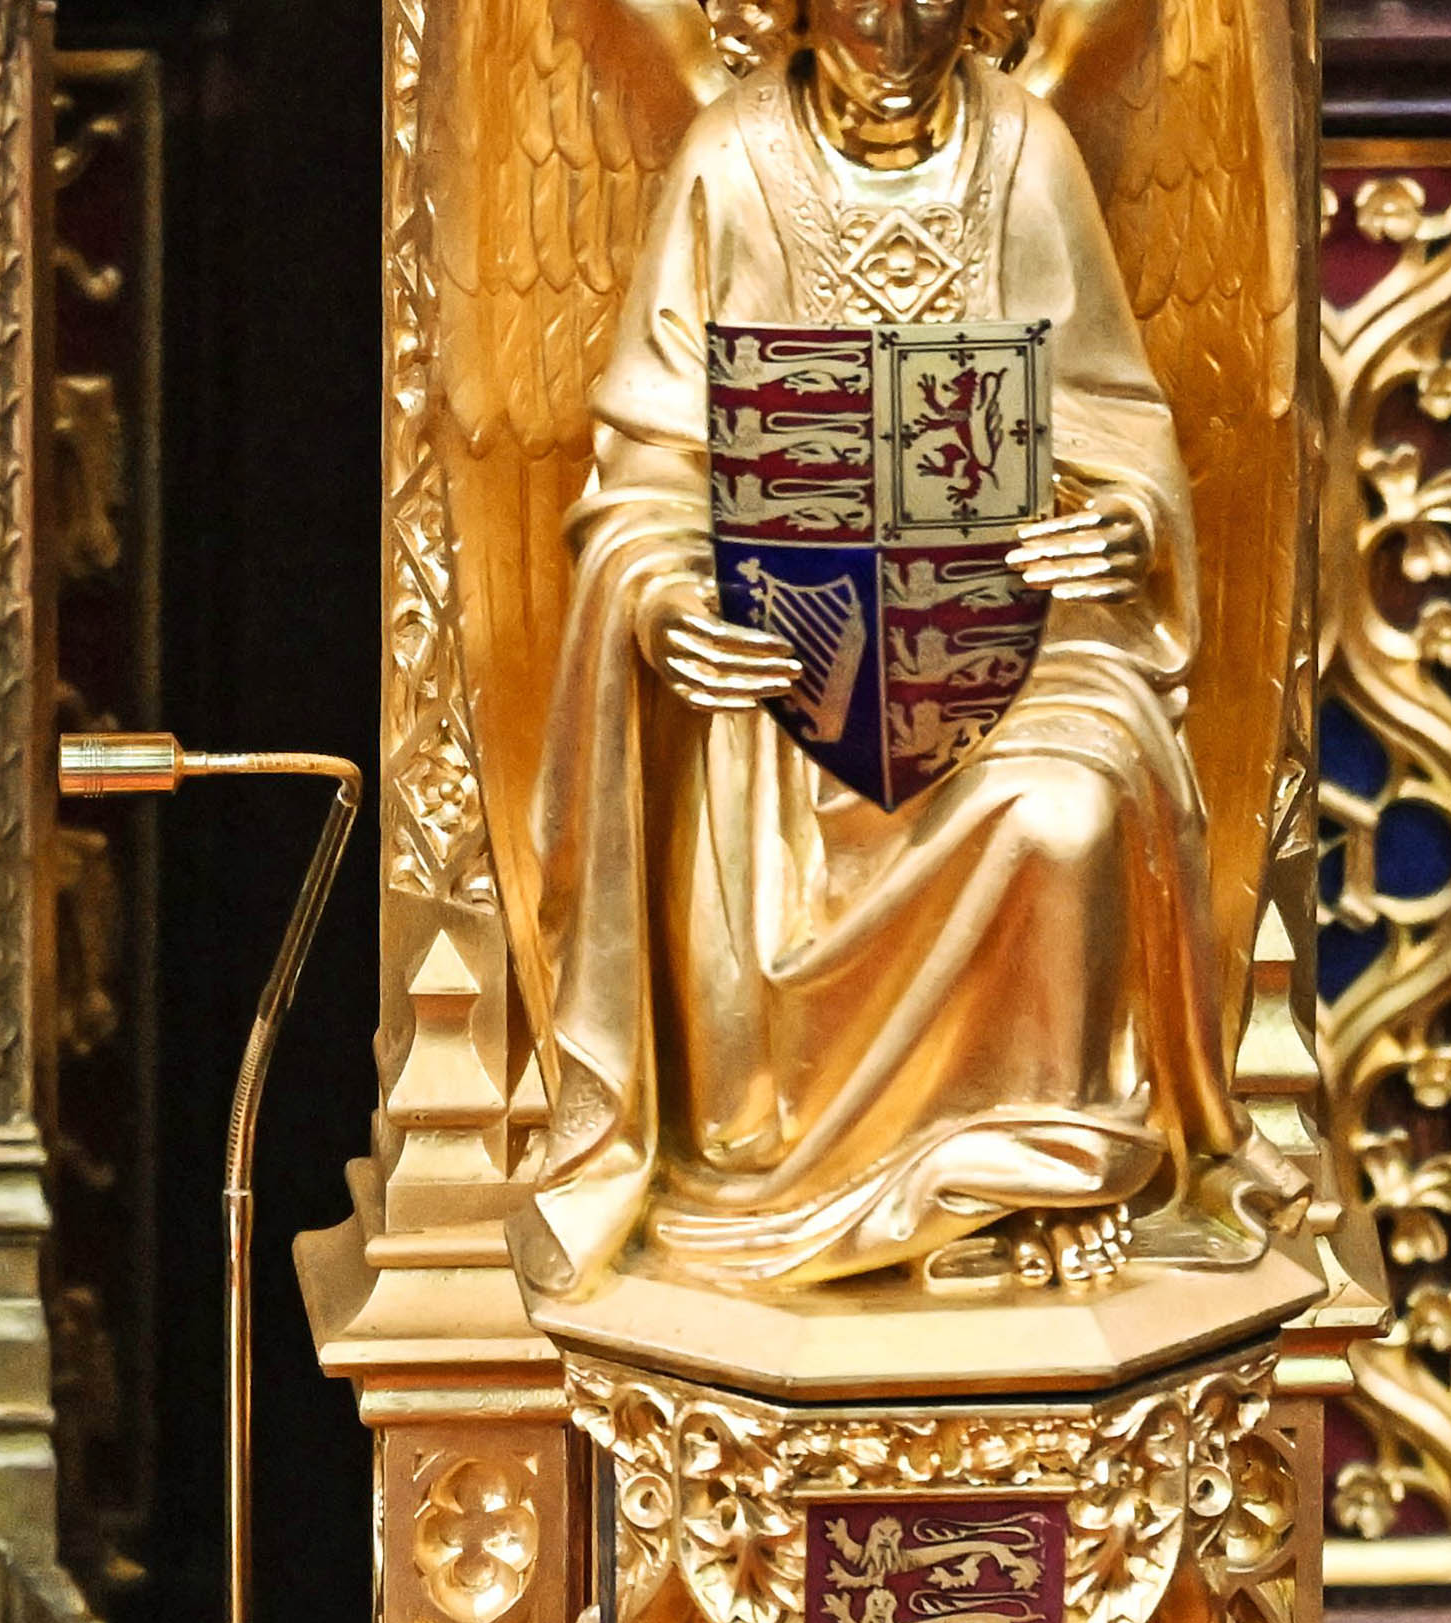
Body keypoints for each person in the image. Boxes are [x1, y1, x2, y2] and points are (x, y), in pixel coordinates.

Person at [524, 0, 1233, 1291]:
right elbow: (646, 482)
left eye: (928, 0)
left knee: (1075, 804)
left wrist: (1127, 533)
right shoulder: (730, 168)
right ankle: (775, 1156)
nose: (893, 31)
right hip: (787, 668)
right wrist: (672, 601)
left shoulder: (1026, 159)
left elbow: (1122, 431)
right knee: (754, 867)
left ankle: (1044, 1165)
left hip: (1012, 642)